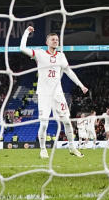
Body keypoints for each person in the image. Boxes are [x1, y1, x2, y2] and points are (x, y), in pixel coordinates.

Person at [19, 26, 88, 158]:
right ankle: (43, 149)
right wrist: (27, 32)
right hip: (44, 94)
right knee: (44, 123)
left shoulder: (61, 56)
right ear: (47, 42)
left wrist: (81, 85)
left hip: (58, 94)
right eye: (52, 39)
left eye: (56, 39)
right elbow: (22, 48)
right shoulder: (40, 53)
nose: (55, 41)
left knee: (67, 122)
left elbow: (69, 71)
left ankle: (73, 148)